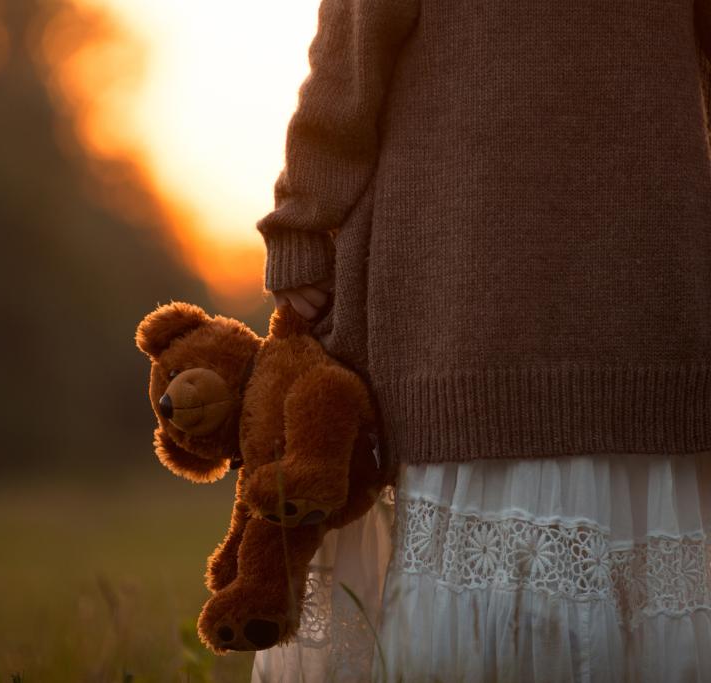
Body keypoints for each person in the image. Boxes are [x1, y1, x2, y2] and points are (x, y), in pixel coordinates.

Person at [250, 0, 711, 681]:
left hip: (638, 302)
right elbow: (351, 56)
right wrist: (301, 219)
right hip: (467, 304)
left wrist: (303, 220)